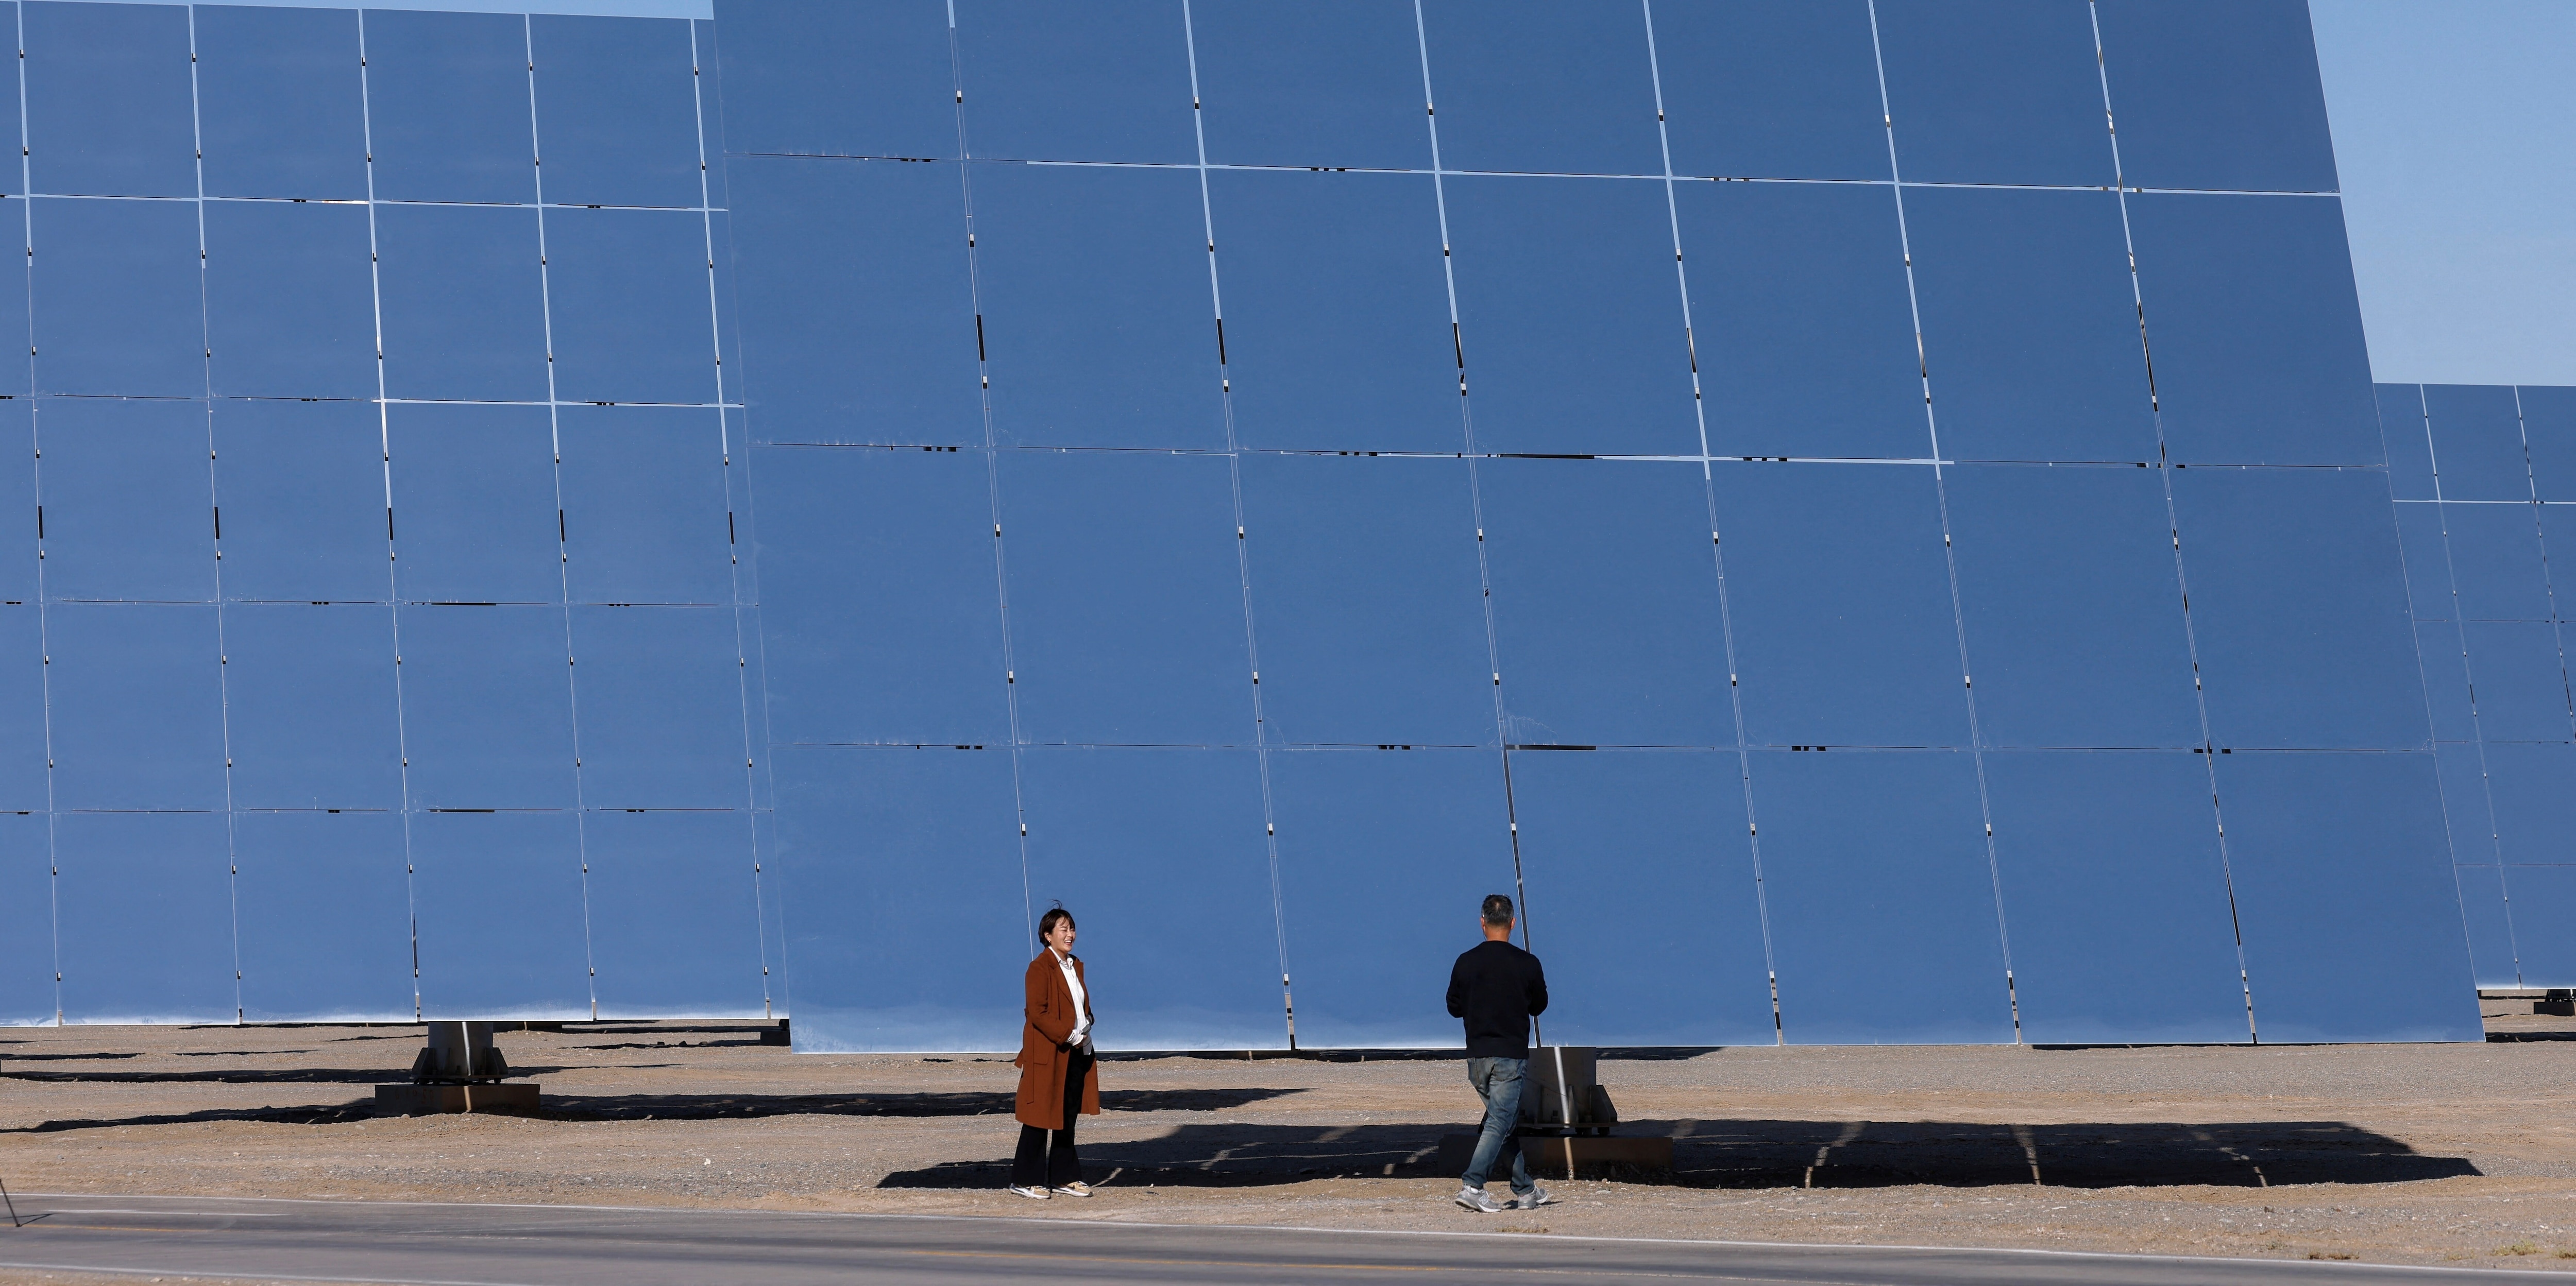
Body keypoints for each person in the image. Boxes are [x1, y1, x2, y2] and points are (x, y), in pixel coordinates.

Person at [1445, 893, 1553, 1213]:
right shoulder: (1527, 964)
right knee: (1499, 1123)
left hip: (1477, 1058)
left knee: (1501, 1122)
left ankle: (1526, 1190)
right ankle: (1473, 1185)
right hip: (1509, 1056)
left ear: (1482, 922)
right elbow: (1540, 1006)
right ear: (1512, 923)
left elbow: (1453, 1008)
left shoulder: (1465, 961)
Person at [1010, 904, 1099, 1200]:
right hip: (1048, 1053)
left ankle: (1065, 1177)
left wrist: (1086, 1029)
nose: (1070, 934)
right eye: (1063, 929)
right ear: (1048, 936)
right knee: (1039, 1117)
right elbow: (1037, 1012)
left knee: (1067, 1116)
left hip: (1075, 1051)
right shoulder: (1039, 968)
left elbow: (1079, 1006)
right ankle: (1024, 1179)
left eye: (1072, 928)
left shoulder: (1075, 965)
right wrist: (1069, 1034)